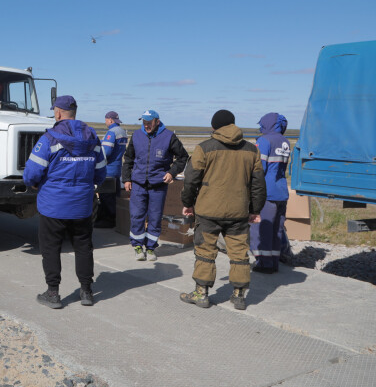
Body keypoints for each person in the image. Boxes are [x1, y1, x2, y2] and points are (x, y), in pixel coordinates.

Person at [23, 95, 107, 309]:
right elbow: (100, 173)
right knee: (84, 247)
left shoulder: (49, 139)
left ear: (58, 113)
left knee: (51, 248)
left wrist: (34, 184)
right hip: (82, 206)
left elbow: (31, 173)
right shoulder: (93, 138)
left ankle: (53, 294)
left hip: (53, 206)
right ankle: (86, 291)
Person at [180, 109, 266, 310]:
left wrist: (187, 203)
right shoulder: (252, 150)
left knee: (205, 251)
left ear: (214, 127)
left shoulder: (204, 148)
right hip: (239, 211)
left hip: (208, 210)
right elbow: (258, 184)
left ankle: (201, 293)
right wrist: (255, 209)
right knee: (239, 253)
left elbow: (191, 180)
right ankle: (239, 296)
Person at [121, 110, 188, 261]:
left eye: (149, 122)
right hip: (138, 183)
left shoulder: (169, 136)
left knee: (155, 217)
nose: (146, 125)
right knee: (137, 215)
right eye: (144, 122)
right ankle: (137, 246)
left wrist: (172, 172)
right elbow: (129, 158)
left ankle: (151, 247)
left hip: (158, 184)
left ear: (157, 121)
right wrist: (126, 179)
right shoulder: (137, 135)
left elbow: (183, 157)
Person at [251, 113, 292, 273]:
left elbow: (258, 169)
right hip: (281, 191)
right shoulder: (285, 141)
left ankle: (264, 263)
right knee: (277, 230)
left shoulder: (264, 141)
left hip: (266, 193)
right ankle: (274, 262)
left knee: (262, 229)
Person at [96, 111, 127, 228]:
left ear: (110, 120)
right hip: (117, 167)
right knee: (115, 195)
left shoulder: (111, 133)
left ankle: (108, 220)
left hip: (108, 169)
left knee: (106, 196)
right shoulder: (122, 132)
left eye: (106, 120)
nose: (105, 122)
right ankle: (115, 218)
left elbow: (106, 152)